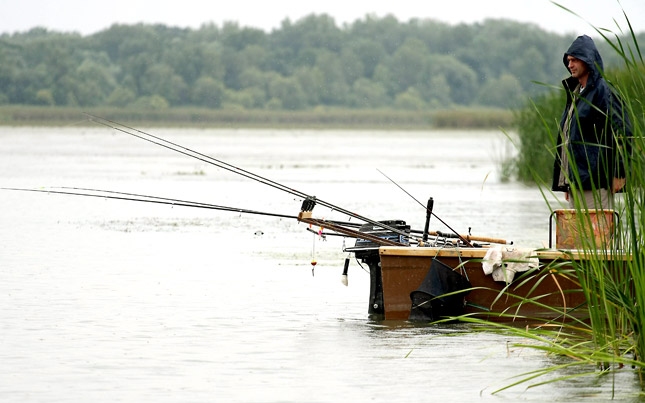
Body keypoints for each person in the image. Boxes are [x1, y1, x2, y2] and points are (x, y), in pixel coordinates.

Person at [552, 34, 632, 210]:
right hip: (576, 182)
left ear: (587, 61)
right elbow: (569, 137)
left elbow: (624, 133)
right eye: (568, 60)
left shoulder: (604, 91)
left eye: (574, 60)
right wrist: (567, 179)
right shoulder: (576, 93)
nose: (570, 65)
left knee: (598, 236)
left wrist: (619, 173)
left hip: (595, 182)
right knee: (578, 237)